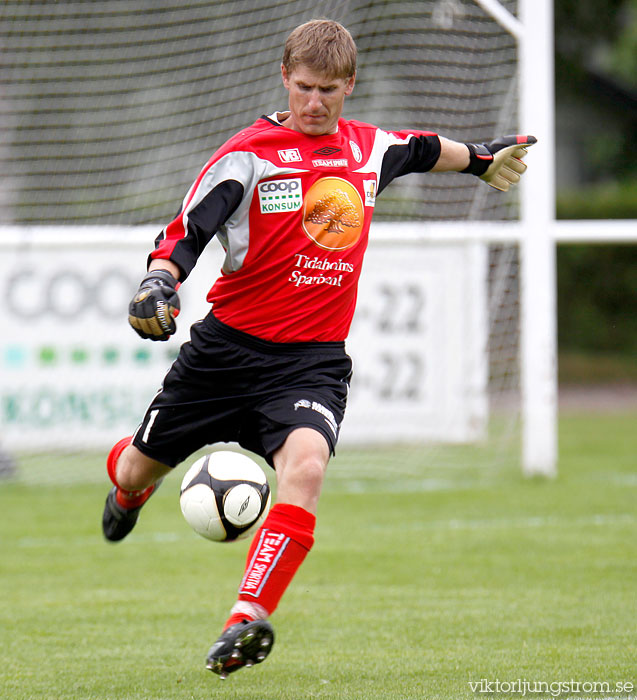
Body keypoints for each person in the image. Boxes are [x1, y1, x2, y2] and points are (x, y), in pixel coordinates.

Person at [101, 19, 536, 679]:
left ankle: (245, 618)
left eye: (328, 90)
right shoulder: (247, 154)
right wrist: (159, 281)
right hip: (224, 357)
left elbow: (421, 149)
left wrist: (479, 158)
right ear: (284, 78)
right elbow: (187, 231)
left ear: (348, 86)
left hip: (310, 363)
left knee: (305, 469)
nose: (314, 103)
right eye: (303, 87)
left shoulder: (367, 150)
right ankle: (131, 496)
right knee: (134, 470)